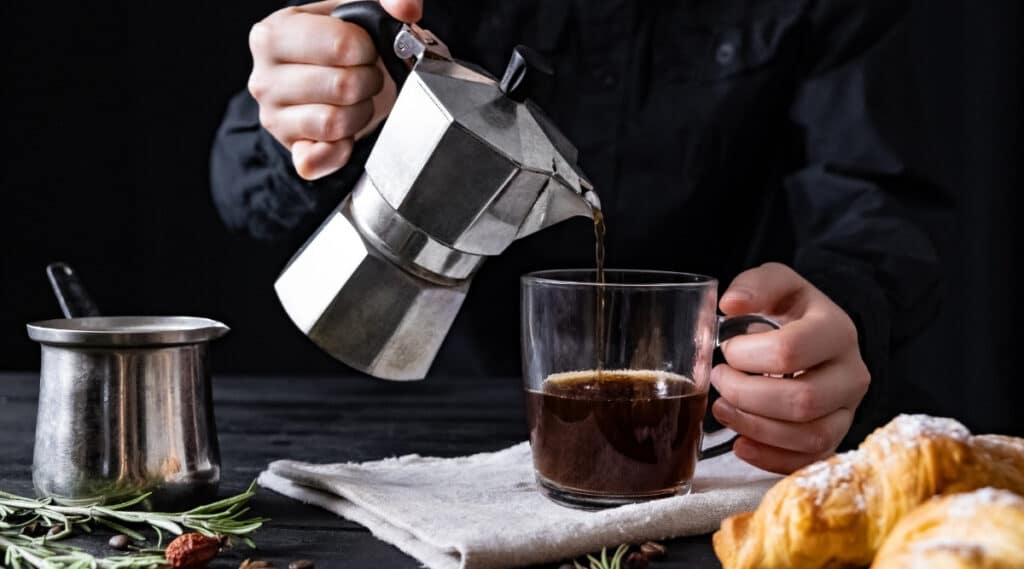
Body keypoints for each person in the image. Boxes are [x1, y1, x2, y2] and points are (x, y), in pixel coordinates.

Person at [210, 0, 943, 474]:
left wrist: (848, 306)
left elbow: (878, 197)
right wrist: (315, 104)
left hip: (725, 436)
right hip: (416, 439)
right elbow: (242, 187)